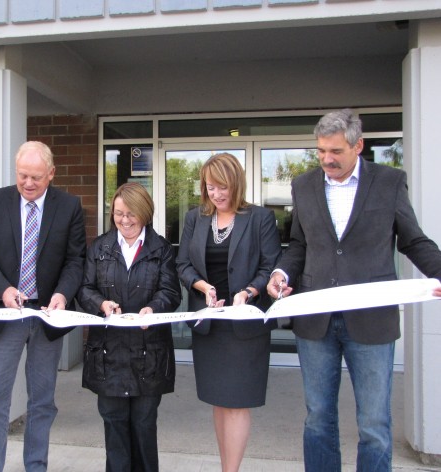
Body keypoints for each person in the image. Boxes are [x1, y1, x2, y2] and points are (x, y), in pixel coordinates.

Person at [266, 109, 441, 472]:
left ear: (358, 146)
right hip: (315, 321)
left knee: (374, 425)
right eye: (320, 151)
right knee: (318, 418)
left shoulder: (390, 182)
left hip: (372, 320)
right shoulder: (303, 185)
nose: (327, 159)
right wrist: (281, 273)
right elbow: (299, 244)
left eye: (336, 152)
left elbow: (413, 241)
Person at [0, 141, 87, 472]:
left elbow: (76, 259)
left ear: (51, 174)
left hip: (47, 317)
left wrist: (63, 294)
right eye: (22, 176)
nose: (29, 184)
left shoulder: (69, 206)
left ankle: (36, 466)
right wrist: (3, 289)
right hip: (6, 314)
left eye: (36, 177)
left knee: (43, 402)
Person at [175, 153, 282, 472]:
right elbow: (182, 264)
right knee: (219, 403)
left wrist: (248, 292)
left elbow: (270, 266)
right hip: (210, 324)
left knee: (236, 405)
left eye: (223, 187)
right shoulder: (195, 218)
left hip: (244, 324)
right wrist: (202, 286)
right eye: (210, 188)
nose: (217, 195)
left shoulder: (260, 217)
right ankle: (226, 466)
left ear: (236, 185)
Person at [77, 182, 181, 472]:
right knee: (114, 423)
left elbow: (171, 292)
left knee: (144, 425)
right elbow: (84, 289)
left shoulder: (161, 249)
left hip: (149, 353)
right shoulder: (99, 247)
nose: (124, 220)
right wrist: (101, 304)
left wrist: (154, 309)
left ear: (145, 213)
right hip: (108, 354)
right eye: (118, 213)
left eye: (131, 214)